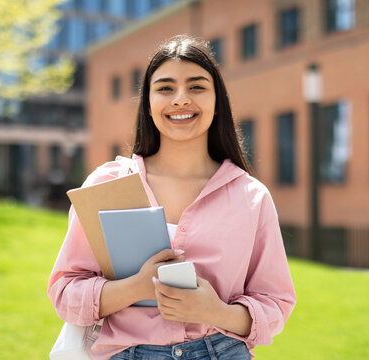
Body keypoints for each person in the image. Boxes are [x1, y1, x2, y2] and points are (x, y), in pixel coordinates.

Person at [48, 35, 296, 360]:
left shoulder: (251, 197)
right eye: (165, 88)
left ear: (217, 101)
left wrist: (215, 311)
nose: (180, 99)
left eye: (196, 87)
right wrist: (137, 287)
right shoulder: (107, 185)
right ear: (148, 104)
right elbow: (65, 292)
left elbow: (274, 302)